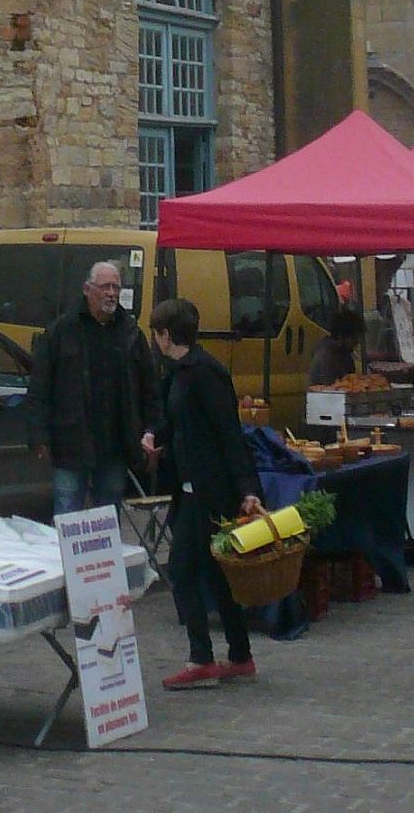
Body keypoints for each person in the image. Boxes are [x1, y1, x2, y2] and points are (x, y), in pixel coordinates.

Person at [139, 298, 264, 691]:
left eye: (156, 333)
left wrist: (247, 489)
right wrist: (156, 437)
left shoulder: (205, 373)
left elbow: (229, 433)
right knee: (213, 572)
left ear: (165, 334)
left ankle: (201, 658)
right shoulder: (177, 372)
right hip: (190, 486)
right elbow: (177, 423)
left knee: (182, 569)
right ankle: (240, 654)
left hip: (208, 490)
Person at [26, 261, 161, 516]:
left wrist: (150, 428)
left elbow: (149, 387)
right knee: (67, 510)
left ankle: (105, 558)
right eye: (105, 287)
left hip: (115, 443)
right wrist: (38, 433)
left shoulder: (130, 333)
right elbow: (40, 386)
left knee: (107, 513)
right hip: (70, 440)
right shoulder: (61, 331)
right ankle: (65, 557)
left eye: (116, 287)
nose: (111, 293)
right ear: (87, 289)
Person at [308, 306, 362, 386]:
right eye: (353, 338)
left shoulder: (345, 353)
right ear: (341, 337)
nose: (356, 342)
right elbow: (333, 387)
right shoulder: (326, 356)